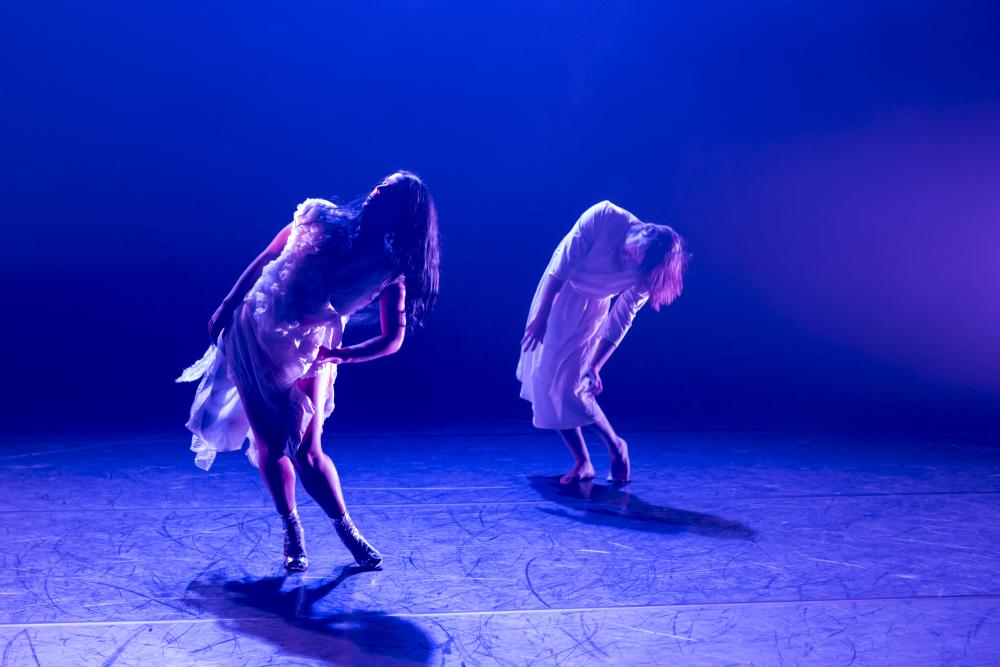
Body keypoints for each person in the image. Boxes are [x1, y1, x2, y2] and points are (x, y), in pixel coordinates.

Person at [177, 171, 439, 572]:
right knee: (270, 443)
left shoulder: (389, 270)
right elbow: (267, 257)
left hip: (311, 348)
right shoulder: (321, 217)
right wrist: (228, 304)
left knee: (306, 450)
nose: (379, 191)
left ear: (404, 215)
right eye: (381, 185)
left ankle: (346, 529)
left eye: (391, 194)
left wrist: (340, 355)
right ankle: (292, 530)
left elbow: (392, 339)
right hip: (254, 333)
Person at [517, 200, 688, 485]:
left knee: (573, 387)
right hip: (558, 295)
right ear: (644, 233)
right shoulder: (604, 216)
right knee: (546, 381)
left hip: (591, 312)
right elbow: (561, 267)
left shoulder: (646, 270)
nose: (634, 262)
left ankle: (616, 446)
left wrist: (595, 366)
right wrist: (542, 316)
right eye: (638, 255)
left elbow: (622, 317)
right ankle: (583, 461)